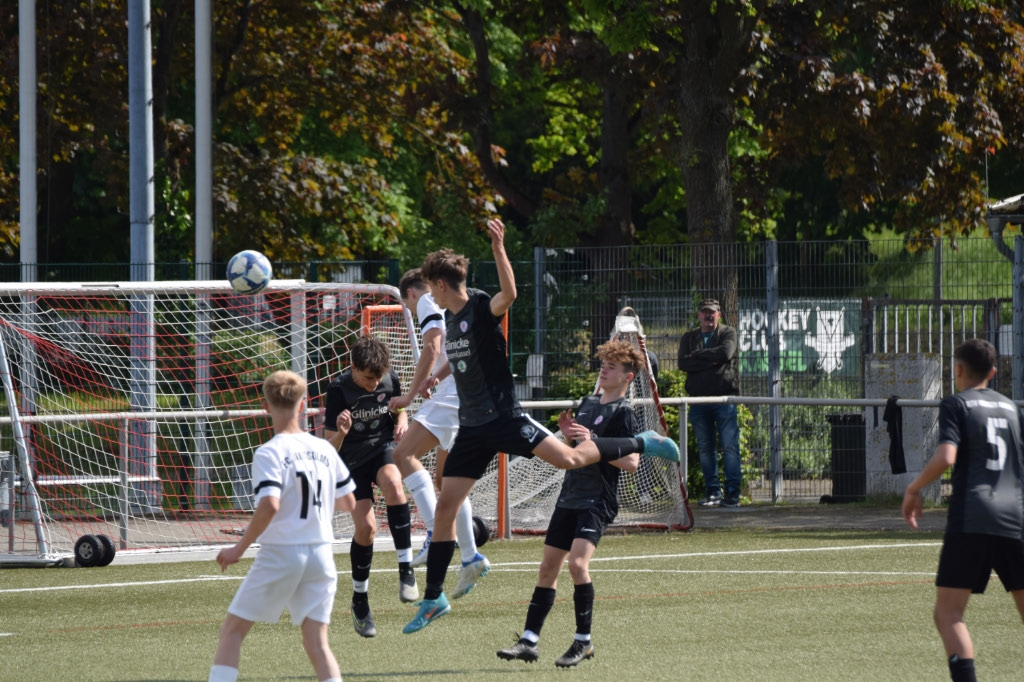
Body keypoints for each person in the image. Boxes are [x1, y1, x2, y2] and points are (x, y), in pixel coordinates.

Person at [402, 217, 680, 634]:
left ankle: (641, 441)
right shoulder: (452, 321)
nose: (429, 296)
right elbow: (459, 357)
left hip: (504, 418)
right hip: (473, 427)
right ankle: (433, 598)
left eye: (430, 288)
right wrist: (436, 377)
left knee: (569, 459)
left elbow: (510, 294)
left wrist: (499, 247)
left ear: (441, 285)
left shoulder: (479, 306)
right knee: (446, 506)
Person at [497, 340, 644, 668]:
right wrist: (567, 436)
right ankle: (529, 641)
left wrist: (594, 442)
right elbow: (575, 451)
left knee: (577, 565)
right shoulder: (588, 404)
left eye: (612, 367)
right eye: (603, 364)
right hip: (570, 496)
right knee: (547, 567)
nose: (604, 370)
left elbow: (632, 462)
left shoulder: (624, 413)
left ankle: (583, 641)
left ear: (628, 377)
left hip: (597, 500)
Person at [207, 370, 357, 682]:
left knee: (232, 632)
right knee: (317, 643)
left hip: (282, 553)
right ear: (302, 406)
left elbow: (270, 504)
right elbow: (349, 502)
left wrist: (238, 549)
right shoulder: (324, 449)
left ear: (266, 406)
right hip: (321, 554)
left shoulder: (269, 452)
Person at [901, 338, 1024, 682]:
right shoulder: (1012, 408)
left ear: (957, 369)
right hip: (1016, 518)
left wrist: (913, 488)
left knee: (949, 614)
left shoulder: (956, 404)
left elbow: (946, 456)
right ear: (993, 373)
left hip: (972, 517)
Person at [390, 268, 489, 599]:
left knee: (403, 455)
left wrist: (409, 395)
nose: (410, 308)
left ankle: (435, 534)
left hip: (451, 397)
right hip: (466, 395)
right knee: (446, 482)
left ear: (411, 293)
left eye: (407, 304)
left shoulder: (425, 301)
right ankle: (471, 556)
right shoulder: (450, 303)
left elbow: (432, 346)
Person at [323, 335, 417, 638]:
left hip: (381, 449)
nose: (374, 384)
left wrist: (401, 419)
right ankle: (360, 600)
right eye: (367, 378)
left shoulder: (390, 379)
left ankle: (406, 569)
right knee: (366, 529)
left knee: (394, 483)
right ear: (353, 368)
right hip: (350, 461)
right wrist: (341, 432)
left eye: (378, 379)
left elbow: (398, 408)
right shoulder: (338, 390)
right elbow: (329, 447)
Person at [677, 298, 741, 507]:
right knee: (705, 448)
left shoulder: (728, 333)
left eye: (712, 312)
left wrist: (697, 357)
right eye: (704, 312)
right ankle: (712, 492)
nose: (708, 315)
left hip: (724, 399)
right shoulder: (689, 337)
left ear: (719, 314)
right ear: (699, 315)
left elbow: (726, 353)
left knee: (730, 447)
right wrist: (712, 361)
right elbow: (683, 363)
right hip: (698, 400)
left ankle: (732, 495)